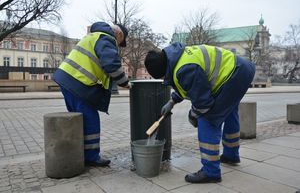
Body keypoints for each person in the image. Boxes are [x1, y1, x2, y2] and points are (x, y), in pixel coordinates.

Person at [144, 42, 255, 183]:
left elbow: (203, 103)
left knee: (207, 119)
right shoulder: (178, 56)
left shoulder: (185, 68)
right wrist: (172, 101)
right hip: (241, 69)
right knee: (229, 111)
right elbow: (189, 85)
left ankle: (211, 172)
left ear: (163, 70)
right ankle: (231, 155)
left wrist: (194, 114)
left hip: (233, 75)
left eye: (162, 77)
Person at [53, 21, 131, 167]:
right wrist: (125, 82)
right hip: (78, 83)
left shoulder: (94, 36)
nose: (118, 45)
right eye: (120, 42)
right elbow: (111, 64)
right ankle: (91, 157)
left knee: (79, 119)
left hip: (67, 79)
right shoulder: (106, 38)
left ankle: (80, 153)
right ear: (119, 34)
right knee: (90, 120)